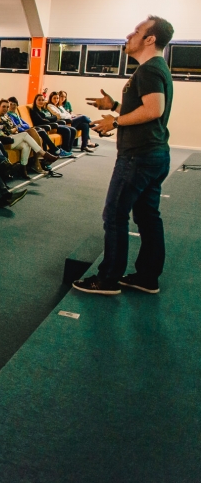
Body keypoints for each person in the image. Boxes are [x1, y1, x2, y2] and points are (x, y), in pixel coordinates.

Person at [73, 16, 175, 295]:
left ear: (150, 39)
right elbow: (146, 108)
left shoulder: (149, 70)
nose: (129, 35)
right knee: (147, 217)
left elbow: (153, 110)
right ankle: (147, 277)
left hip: (138, 157)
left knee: (115, 215)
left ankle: (108, 279)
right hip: (154, 154)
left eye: (137, 32)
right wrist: (116, 106)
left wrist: (116, 121)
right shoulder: (157, 68)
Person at [0, 101, 56, 176]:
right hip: (2, 143)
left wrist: (9, 133)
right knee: (25, 134)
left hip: (9, 138)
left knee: (26, 145)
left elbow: (7, 131)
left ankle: (23, 169)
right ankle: (44, 154)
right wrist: (6, 137)